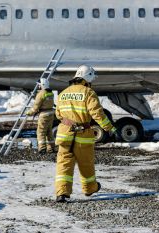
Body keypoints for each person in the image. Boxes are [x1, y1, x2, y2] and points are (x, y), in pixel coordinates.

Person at [55, 65, 121, 202]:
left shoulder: (63, 93)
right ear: (88, 78)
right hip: (82, 136)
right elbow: (97, 114)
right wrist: (110, 128)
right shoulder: (88, 93)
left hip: (64, 135)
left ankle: (61, 193)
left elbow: (59, 115)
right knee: (86, 164)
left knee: (64, 164)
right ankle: (90, 188)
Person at [26, 78, 55, 154]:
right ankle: (51, 148)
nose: (38, 86)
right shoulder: (50, 93)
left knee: (41, 132)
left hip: (44, 115)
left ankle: (42, 149)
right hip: (51, 114)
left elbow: (36, 107)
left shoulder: (41, 94)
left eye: (39, 85)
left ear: (42, 85)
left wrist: (29, 113)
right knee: (49, 131)